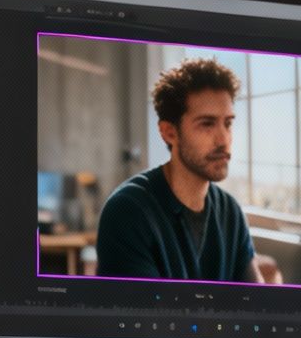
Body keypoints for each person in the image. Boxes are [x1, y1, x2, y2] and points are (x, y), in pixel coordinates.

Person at [95, 58, 273, 283]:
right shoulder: (128, 212)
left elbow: (253, 306)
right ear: (169, 132)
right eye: (207, 123)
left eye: (228, 123)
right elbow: (143, 316)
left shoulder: (231, 212)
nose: (224, 140)